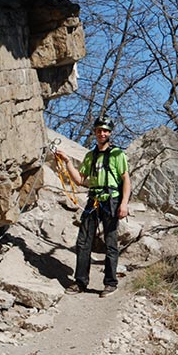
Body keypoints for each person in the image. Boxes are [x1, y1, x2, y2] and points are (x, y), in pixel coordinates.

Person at [54, 116, 131, 298]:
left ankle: (110, 283)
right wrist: (67, 162)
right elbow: (80, 180)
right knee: (83, 242)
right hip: (94, 200)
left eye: (105, 130)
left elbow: (125, 179)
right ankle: (80, 281)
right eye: (99, 130)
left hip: (111, 200)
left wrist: (124, 203)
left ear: (110, 133)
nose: (102, 133)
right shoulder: (90, 156)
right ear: (95, 132)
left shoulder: (117, 154)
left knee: (111, 242)